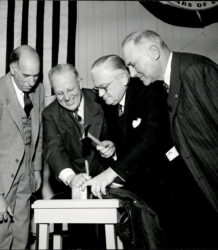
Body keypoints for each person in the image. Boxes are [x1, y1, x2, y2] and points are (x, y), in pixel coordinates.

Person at [121, 30, 218, 247]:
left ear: (154, 52)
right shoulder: (168, 83)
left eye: (134, 64)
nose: (133, 73)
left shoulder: (194, 71)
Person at [0, 45, 44, 249]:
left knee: (21, 240)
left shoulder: (38, 89)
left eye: (36, 75)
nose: (32, 82)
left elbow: (38, 130)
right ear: (13, 68)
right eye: (26, 75)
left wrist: (36, 168)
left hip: (25, 177)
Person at [42, 63, 113, 248]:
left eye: (70, 89)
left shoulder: (102, 99)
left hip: (109, 178)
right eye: (59, 93)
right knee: (82, 240)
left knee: (110, 238)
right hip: (76, 184)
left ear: (79, 82)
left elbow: (120, 132)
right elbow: (53, 149)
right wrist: (71, 178)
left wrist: (113, 146)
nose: (66, 97)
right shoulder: (50, 114)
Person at [83, 55, 170, 204]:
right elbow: (127, 141)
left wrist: (111, 173)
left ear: (123, 78)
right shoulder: (111, 103)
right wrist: (114, 147)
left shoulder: (150, 92)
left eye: (104, 87)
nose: (101, 94)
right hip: (139, 185)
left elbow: (151, 139)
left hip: (167, 181)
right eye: (97, 89)